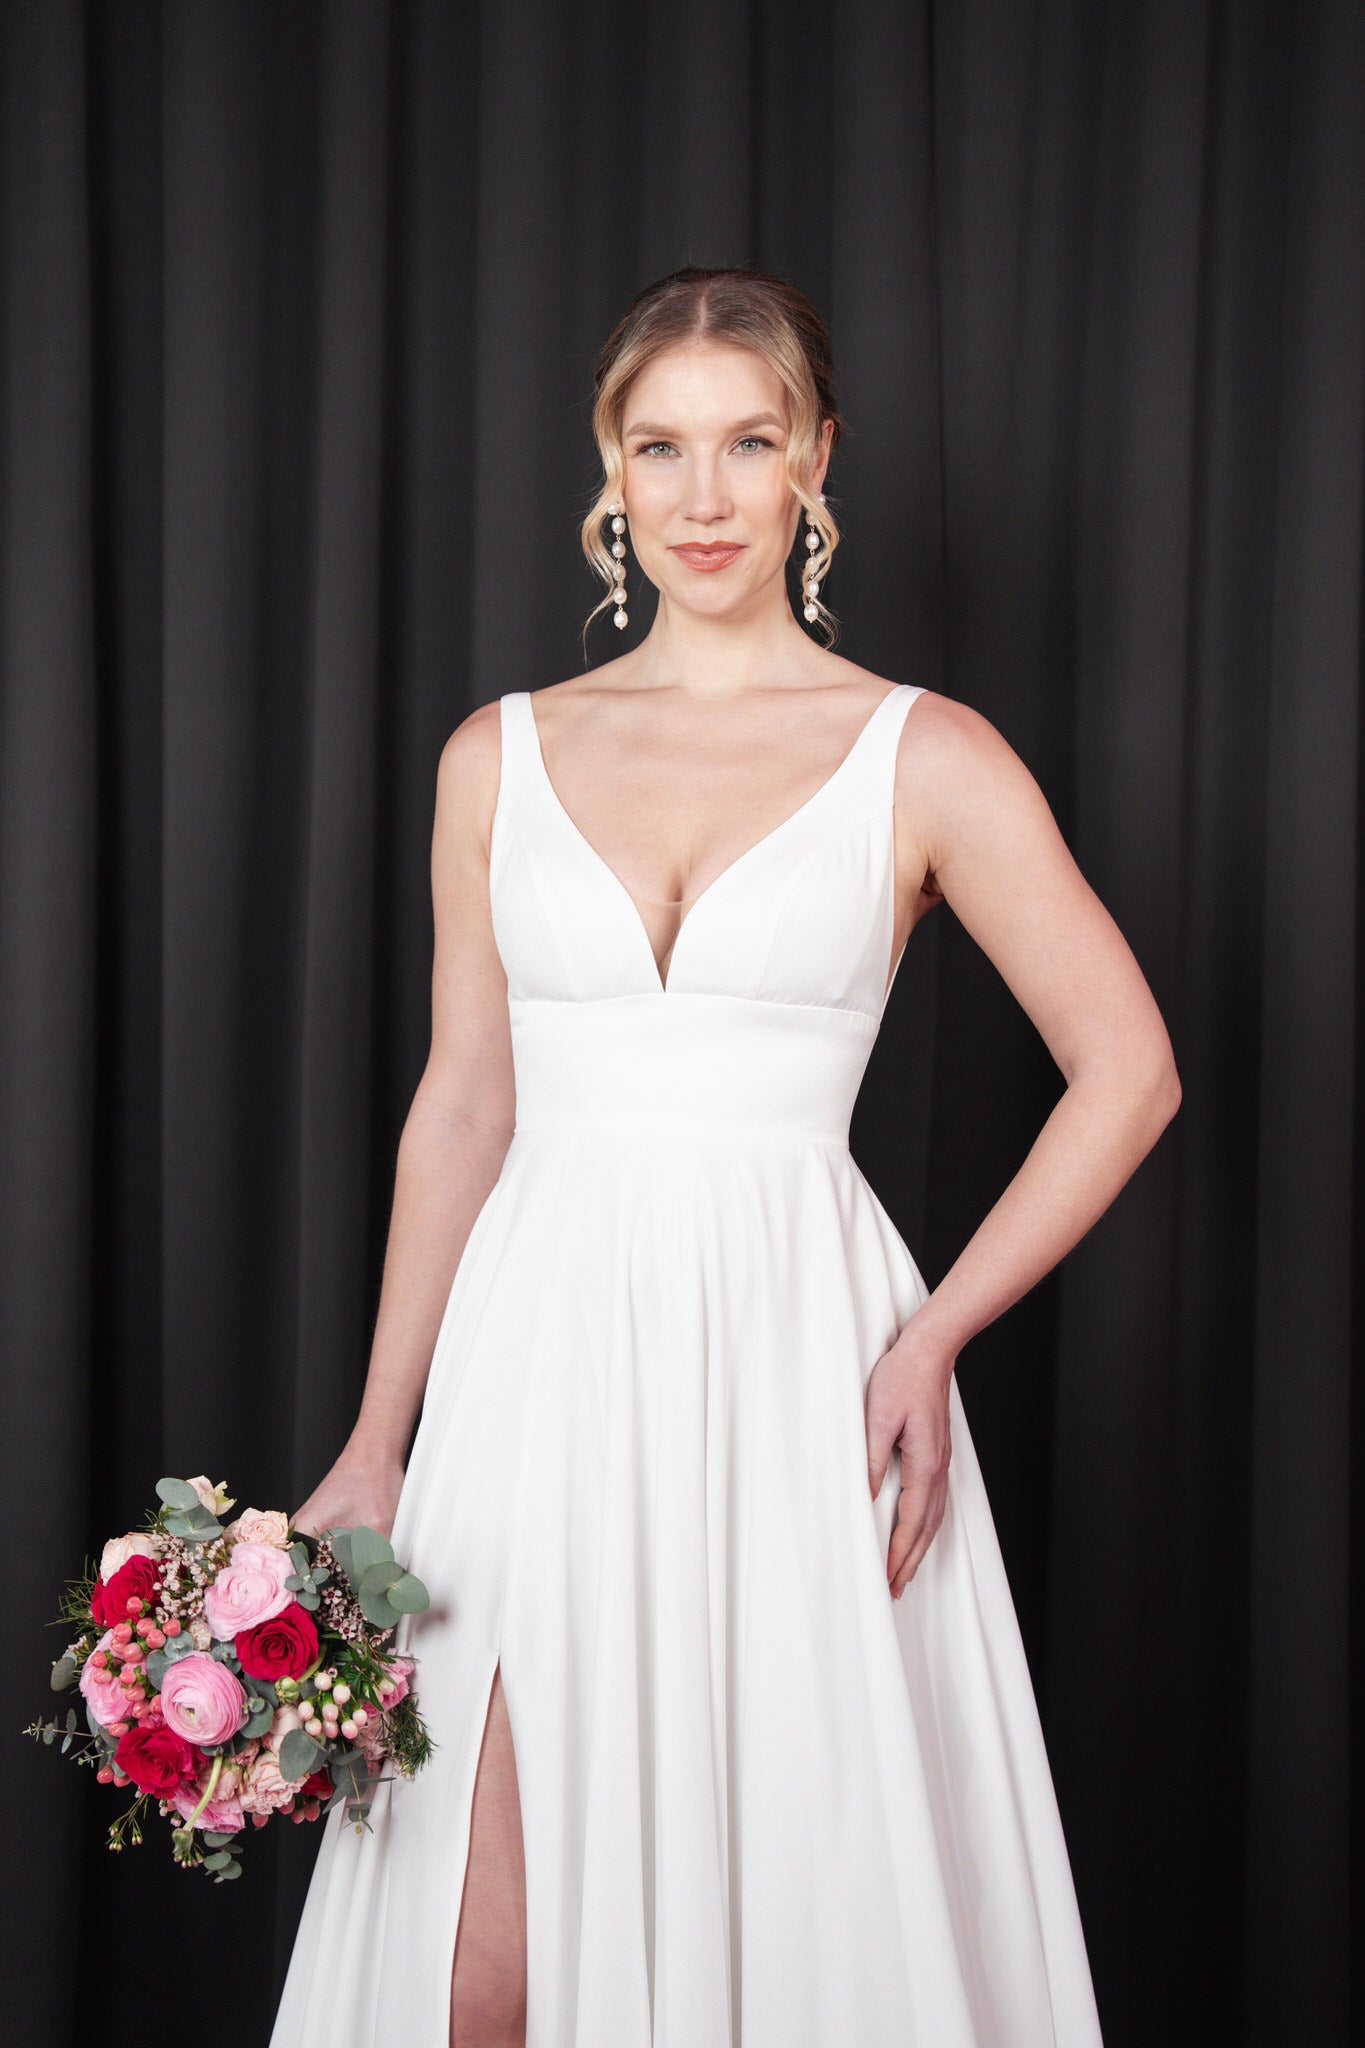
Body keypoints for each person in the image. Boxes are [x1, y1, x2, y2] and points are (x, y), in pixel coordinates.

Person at [270, 265, 1178, 2048]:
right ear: (609, 465)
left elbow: (1126, 1070)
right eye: (662, 447)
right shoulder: (498, 755)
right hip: (534, 1364)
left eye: (747, 445)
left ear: (814, 460)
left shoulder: (922, 754)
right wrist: (378, 1438)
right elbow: (465, 1100)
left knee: (784, 1915)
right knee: (475, 1971)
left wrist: (934, 1335)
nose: (702, 496)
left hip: (792, 1362)